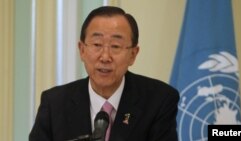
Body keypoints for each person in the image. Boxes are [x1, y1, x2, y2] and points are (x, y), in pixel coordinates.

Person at [29, 6, 180, 141]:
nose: (105, 57)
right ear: (82, 50)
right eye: (97, 44)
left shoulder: (159, 101)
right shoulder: (55, 104)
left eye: (115, 46)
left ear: (133, 54)